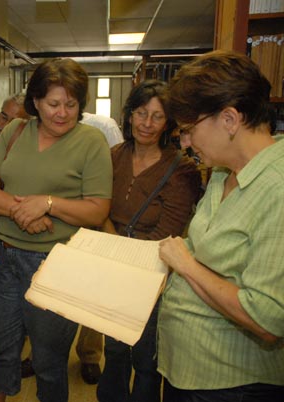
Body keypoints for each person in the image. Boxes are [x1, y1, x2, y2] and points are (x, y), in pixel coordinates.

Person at [0, 58, 113, 402]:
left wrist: (48, 203)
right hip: (7, 259)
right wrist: (23, 212)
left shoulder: (91, 142)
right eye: (53, 103)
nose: (62, 113)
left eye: (71, 104)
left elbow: (98, 210)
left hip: (58, 264)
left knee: (49, 360)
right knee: (2, 348)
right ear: (35, 101)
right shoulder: (14, 131)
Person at [158, 50, 284, 402]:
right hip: (188, 368)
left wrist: (184, 264)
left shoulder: (278, 188)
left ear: (229, 119)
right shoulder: (221, 172)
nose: (185, 143)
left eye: (187, 130)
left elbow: (267, 319)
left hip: (230, 386)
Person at [96, 80, 201, 402]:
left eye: (157, 116)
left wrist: (131, 261)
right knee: (114, 350)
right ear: (129, 116)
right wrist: (115, 247)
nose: (147, 123)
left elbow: (169, 229)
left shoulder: (182, 169)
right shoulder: (112, 156)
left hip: (153, 272)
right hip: (112, 261)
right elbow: (98, 207)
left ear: (168, 122)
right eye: (141, 113)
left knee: (145, 358)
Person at [73, 111, 124, 385]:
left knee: (93, 290)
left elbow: (115, 170)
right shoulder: (48, 127)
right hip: (62, 217)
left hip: (97, 216)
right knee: (56, 285)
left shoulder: (103, 126)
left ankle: (90, 354)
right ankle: (45, 352)